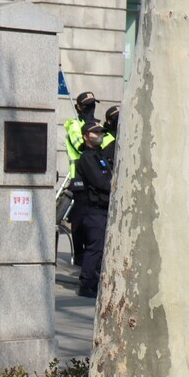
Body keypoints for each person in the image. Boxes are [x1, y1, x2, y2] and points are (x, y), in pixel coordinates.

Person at [73, 121, 113, 299]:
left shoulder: (99, 155)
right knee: (95, 248)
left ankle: (95, 280)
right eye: (95, 132)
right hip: (93, 209)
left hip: (103, 208)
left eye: (100, 132)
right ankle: (86, 283)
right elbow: (100, 182)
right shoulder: (87, 157)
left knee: (100, 247)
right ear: (86, 136)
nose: (99, 135)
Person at [64, 91, 98, 266]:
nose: (92, 109)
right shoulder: (74, 125)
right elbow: (81, 146)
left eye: (93, 105)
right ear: (80, 108)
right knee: (79, 220)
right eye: (88, 106)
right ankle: (79, 255)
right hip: (79, 178)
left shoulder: (95, 126)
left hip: (95, 178)